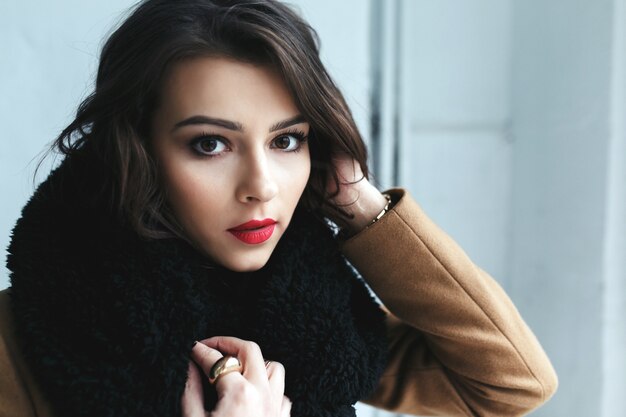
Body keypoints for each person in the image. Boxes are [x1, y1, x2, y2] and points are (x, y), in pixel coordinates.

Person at [0, 0, 558, 416]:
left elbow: (511, 381)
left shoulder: (313, 319)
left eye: (286, 140)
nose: (261, 186)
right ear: (136, 150)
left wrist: (360, 206)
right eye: (210, 144)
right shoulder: (21, 341)